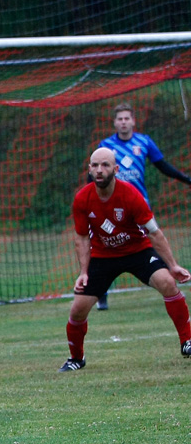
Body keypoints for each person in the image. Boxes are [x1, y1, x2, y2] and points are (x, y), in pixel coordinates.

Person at [59, 147, 191, 372]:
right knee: (77, 309)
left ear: (116, 169)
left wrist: (173, 265)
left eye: (105, 165)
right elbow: (81, 238)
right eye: (95, 166)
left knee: (168, 283)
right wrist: (84, 272)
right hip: (102, 256)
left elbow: (154, 233)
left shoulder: (130, 194)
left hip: (138, 251)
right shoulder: (82, 198)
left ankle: (187, 341)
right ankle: (76, 359)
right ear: (89, 169)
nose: (99, 170)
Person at [93, 102, 191, 310]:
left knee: (152, 242)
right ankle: (101, 294)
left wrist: (186, 179)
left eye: (127, 118)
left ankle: (168, 283)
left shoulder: (144, 142)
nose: (123, 122)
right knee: (104, 246)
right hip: (110, 209)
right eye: (120, 119)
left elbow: (162, 166)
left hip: (138, 207)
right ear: (114, 122)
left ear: (133, 121)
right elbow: (94, 176)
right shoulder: (106, 145)